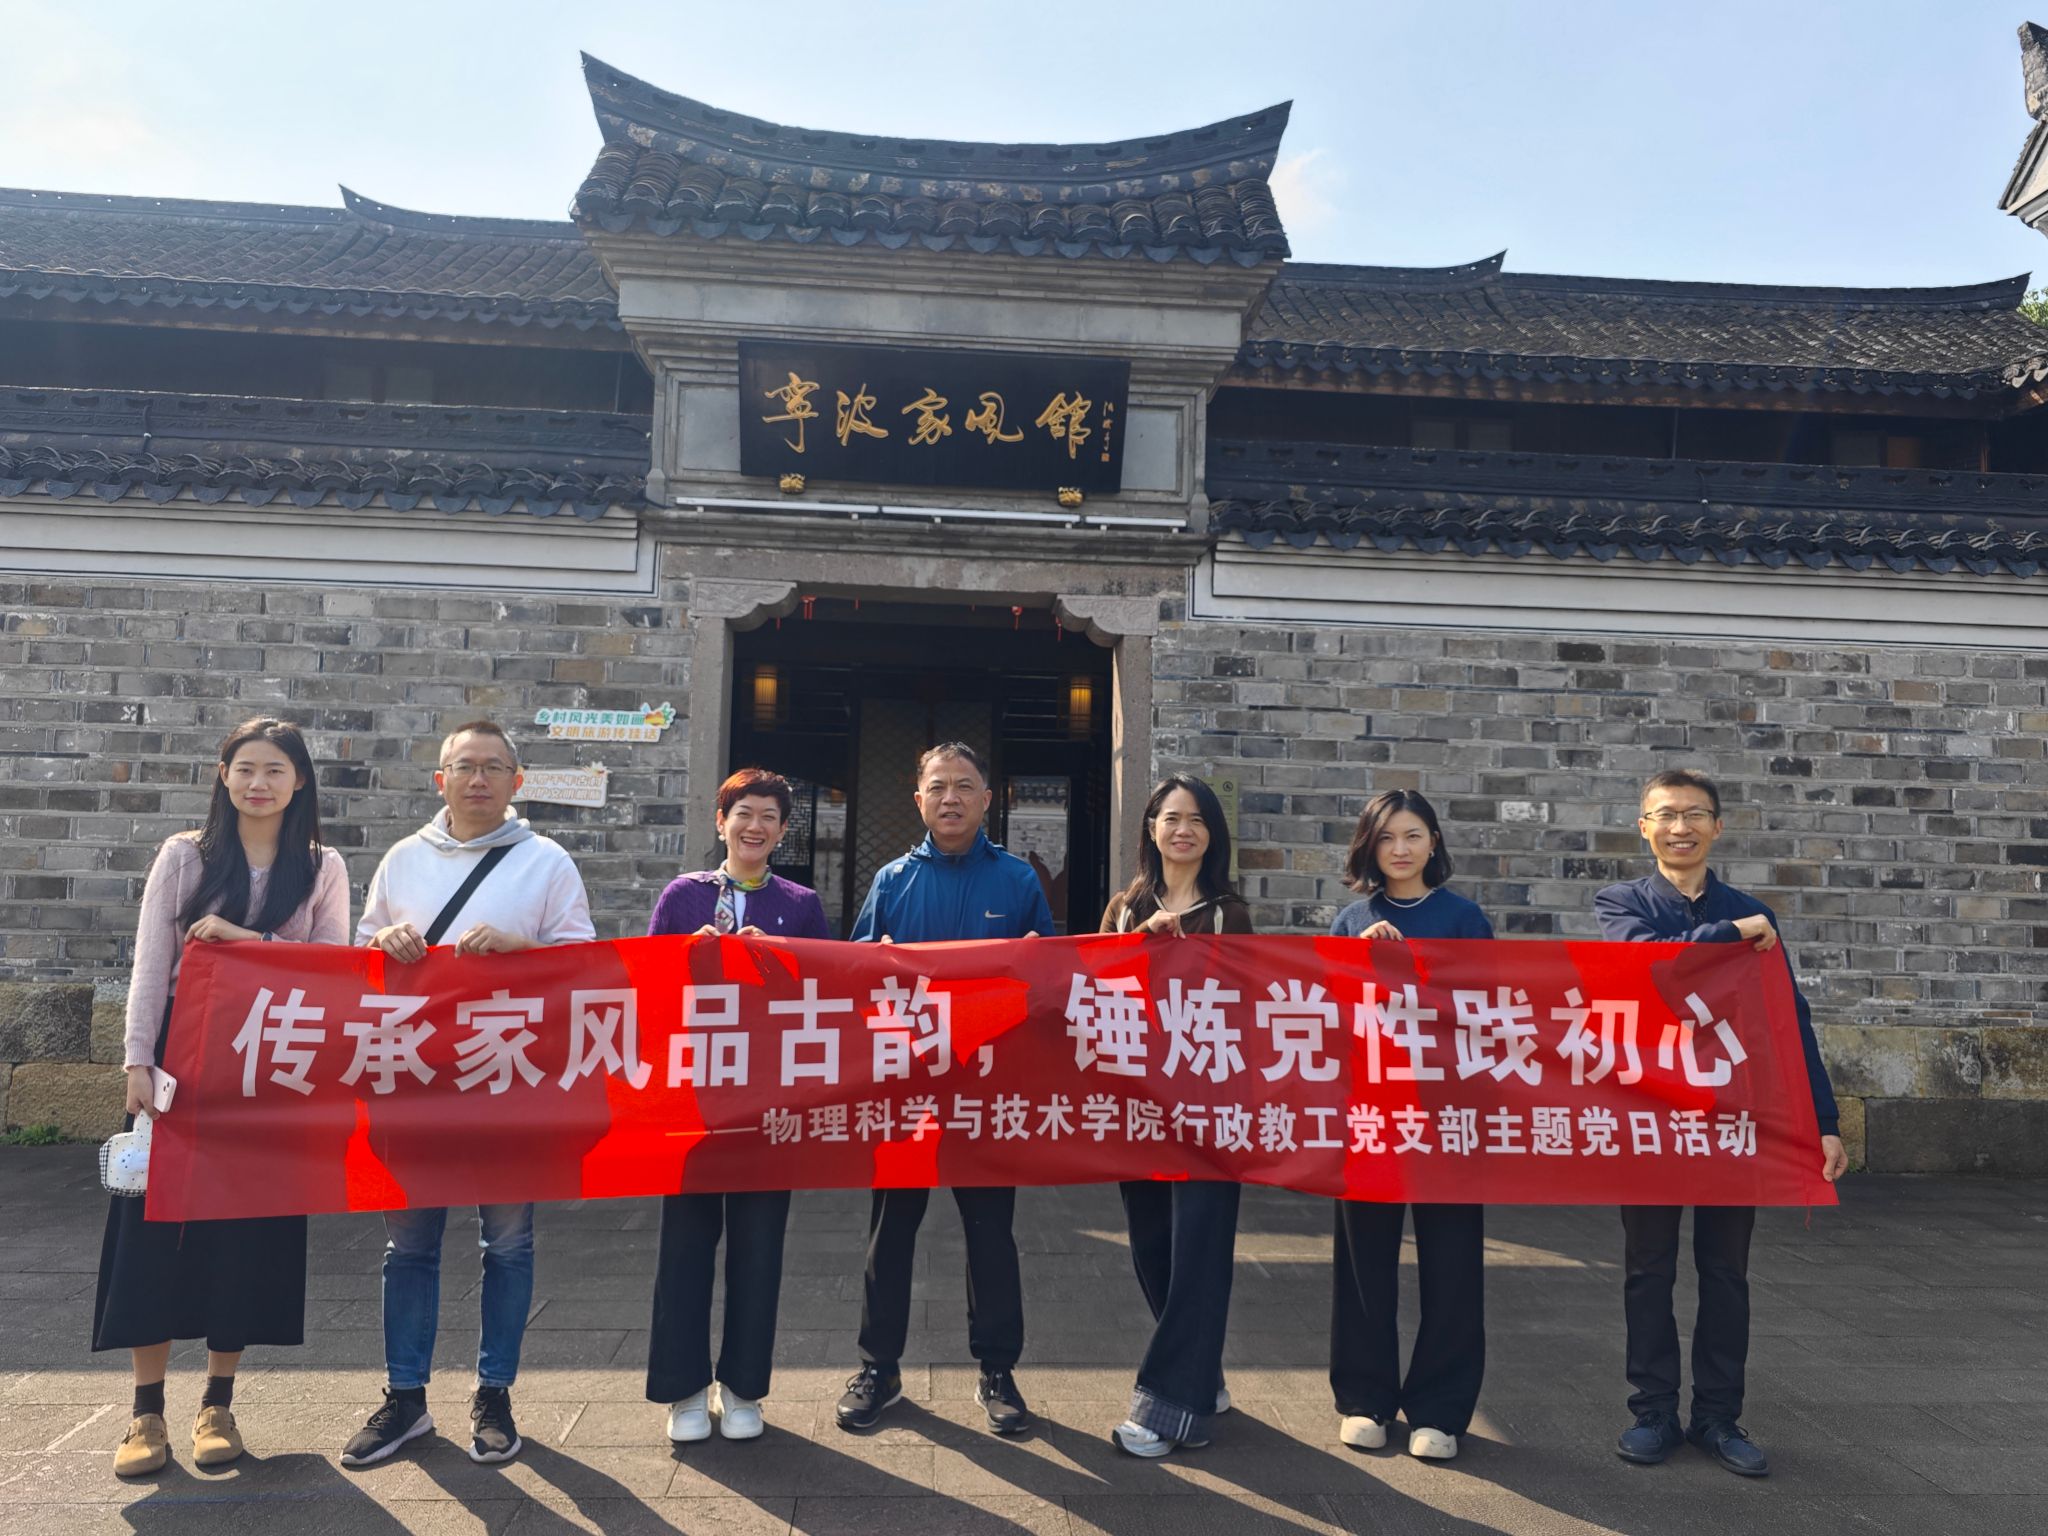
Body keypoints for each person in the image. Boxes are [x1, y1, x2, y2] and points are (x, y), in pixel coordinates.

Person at [96, 717, 350, 1478]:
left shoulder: (322, 866)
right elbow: (151, 964)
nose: (258, 783)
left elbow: (334, 966)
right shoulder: (186, 855)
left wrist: (249, 940)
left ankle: (218, 1404)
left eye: (275, 770)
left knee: (245, 1232)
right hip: (183, 1057)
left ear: (299, 781)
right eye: (245, 769)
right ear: (223, 774)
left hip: (272, 1066)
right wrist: (137, 1061)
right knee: (154, 1227)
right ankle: (145, 1414)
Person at [340, 720, 595, 1470]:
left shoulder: (546, 861)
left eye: (493, 767)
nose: (477, 779)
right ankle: (406, 1398)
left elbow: (583, 965)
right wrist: (381, 942)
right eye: (464, 766)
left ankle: (494, 1394)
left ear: (518, 781)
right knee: (409, 1245)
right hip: (416, 1083)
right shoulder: (402, 858)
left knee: (508, 1244)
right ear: (440, 780)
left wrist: (523, 950)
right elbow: (357, 958)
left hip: (510, 1083)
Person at [1595, 768, 1846, 1479]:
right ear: (1644, 827)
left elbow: (1790, 1022)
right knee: (1647, 1268)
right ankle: (1652, 1411)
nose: (1681, 828)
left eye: (1695, 814)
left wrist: (1823, 1120)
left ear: (1717, 826)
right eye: (1666, 815)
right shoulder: (1621, 904)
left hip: (1732, 1119)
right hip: (1648, 1119)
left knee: (1726, 1271)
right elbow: (1647, 966)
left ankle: (1717, 1417)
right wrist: (1728, 935)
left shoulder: (1754, 912)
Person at [836, 742, 1053, 1436]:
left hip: (986, 1090)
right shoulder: (892, 881)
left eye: (964, 786)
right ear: (919, 800)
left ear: (988, 800)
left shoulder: (1017, 881)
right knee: (890, 1231)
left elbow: (1047, 984)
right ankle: (879, 1368)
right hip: (906, 1090)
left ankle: (998, 1369)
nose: (950, 798)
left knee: (991, 1234)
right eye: (938, 787)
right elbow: (856, 980)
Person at [645, 768, 830, 1444]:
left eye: (770, 817)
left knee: (759, 1246)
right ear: (720, 821)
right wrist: (685, 959)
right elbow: (645, 990)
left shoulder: (801, 904)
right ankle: (684, 1389)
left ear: (783, 831)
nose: (756, 826)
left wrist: (779, 961)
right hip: (693, 1099)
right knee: (685, 1246)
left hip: (770, 1099)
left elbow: (827, 995)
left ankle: (744, 1387)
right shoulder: (682, 896)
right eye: (744, 813)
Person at [1327, 789, 1493, 1462]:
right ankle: (1364, 1398)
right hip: (1370, 1114)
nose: (1400, 848)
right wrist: (1356, 961)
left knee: (1452, 1262)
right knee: (1363, 1259)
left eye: (1413, 835)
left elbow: (1487, 1010)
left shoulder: (1464, 918)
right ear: (1368, 846)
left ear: (1434, 843)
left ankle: (1441, 1409)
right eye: (1387, 837)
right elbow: (1323, 1016)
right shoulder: (1351, 919)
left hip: (1446, 1114)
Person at [1099, 773, 1253, 1459]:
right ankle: (1201, 1373)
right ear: (1151, 829)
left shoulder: (1229, 914)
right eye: (1171, 817)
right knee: (1154, 1248)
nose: (1183, 829)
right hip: (1138, 1107)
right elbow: (1092, 991)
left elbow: (1245, 1005)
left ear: (1212, 834)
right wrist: (1140, 943)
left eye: (1196, 819)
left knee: (1199, 1252)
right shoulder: (1125, 907)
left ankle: (1170, 1407)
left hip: (1211, 1110)